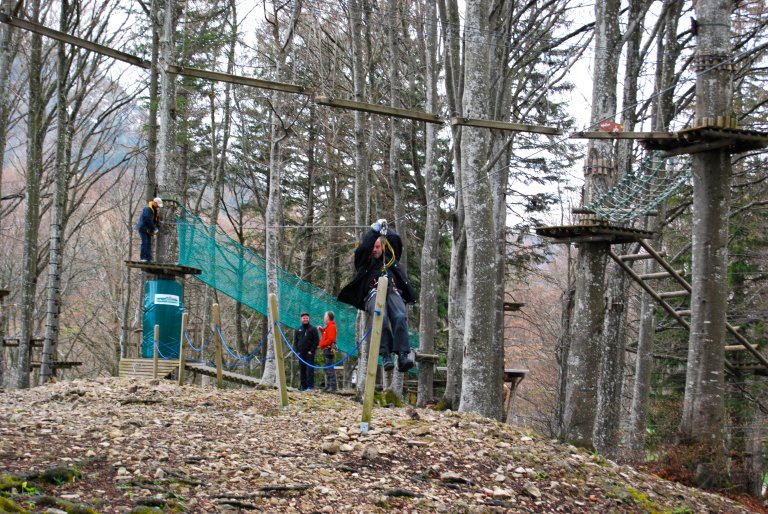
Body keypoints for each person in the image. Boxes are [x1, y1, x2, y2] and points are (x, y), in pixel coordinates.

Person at [338, 218, 416, 372]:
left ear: (383, 246)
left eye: (377, 247)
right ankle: (386, 355)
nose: (374, 250)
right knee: (382, 318)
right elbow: (364, 248)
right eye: (372, 247)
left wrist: (386, 229)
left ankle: (402, 355)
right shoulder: (364, 262)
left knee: (400, 316)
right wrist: (374, 231)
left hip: (392, 291)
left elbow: (396, 241)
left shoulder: (390, 260)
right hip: (373, 293)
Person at [294, 312, 319, 391]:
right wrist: (297, 351)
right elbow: (296, 341)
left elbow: (316, 340)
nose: (305, 319)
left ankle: (310, 386)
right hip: (301, 353)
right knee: (302, 369)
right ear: (301, 319)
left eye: (306, 318)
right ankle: (303, 386)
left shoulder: (313, 329)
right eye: (304, 318)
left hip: (309, 353)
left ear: (309, 319)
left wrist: (312, 351)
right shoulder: (298, 329)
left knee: (310, 369)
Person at [136, 197, 163, 262]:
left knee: (148, 243)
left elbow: (155, 220)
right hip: (143, 227)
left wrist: (157, 226)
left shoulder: (154, 209)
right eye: (158, 205)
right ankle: (143, 258)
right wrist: (154, 228)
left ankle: (148, 258)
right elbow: (148, 219)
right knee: (144, 242)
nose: (158, 207)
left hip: (148, 228)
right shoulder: (147, 208)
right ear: (155, 202)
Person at [318, 311, 338, 392]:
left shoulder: (332, 326)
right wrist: (322, 330)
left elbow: (331, 339)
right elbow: (326, 336)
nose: (324, 317)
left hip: (329, 349)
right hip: (326, 349)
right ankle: (329, 385)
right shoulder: (328, 327)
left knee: (329, 368)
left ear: (328, 318)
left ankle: (333, 386)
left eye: (325, 316)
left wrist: (323, 344)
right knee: (327, 368)